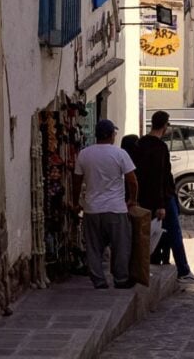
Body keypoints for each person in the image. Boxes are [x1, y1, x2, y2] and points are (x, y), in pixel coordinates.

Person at [133, 111, 194, 285]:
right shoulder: (160, 148)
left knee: (147, 234)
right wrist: (161, 204)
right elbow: (160, 177)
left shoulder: (140, 144)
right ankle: (183, 270)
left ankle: (149, 264)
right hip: (163, 197)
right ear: (164, 126)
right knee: (174, 233)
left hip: (144, 197)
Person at [72, 119, 138, 289]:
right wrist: (132, 199)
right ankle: (121, 278)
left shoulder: (84, 154)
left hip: (92, 209)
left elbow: (77, 181)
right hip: (116, 208)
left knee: (93, 247)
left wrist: (75, 202)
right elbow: (132, 180)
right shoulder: (120, 154)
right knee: (120, 245)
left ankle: (99, 280)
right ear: (110, 135)